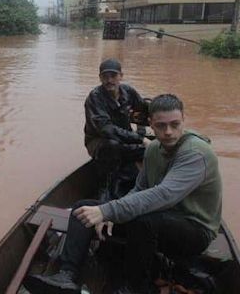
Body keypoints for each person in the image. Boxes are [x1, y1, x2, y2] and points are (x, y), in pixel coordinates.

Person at [33, 94, 222, 293]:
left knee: (144, 221)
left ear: (184, 119)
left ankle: (133, 288)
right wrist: (113, 214)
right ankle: (67, 276)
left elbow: (164, 195)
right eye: (161, 125)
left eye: (175, 124)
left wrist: (110, 210)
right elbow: (140, 189)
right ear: (151, 124)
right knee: (82, 209)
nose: (168, 132)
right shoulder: (153, 150)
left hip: (194, 229)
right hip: (160, 218)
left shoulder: (196, 153)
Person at [84, 58, 151, 198]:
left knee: (155, 149)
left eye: (113, 76)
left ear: (121, 76)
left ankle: (148, 182)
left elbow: (144, 110)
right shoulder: (95, 98)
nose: (109, 80)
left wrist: (143, 130)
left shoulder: (128, 91)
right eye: (105, 76)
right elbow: (106, 129)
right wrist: (140, 138)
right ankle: (104, 189)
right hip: (99, 143)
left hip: (124, 139)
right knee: (112, 145)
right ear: (100, 78)